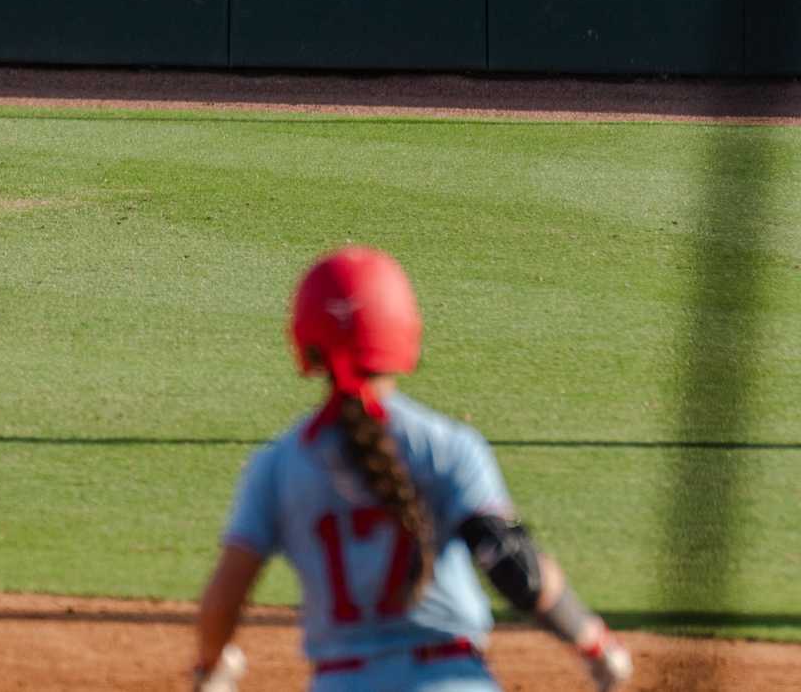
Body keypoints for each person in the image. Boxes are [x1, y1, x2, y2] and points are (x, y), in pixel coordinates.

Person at [191, 247, 632, 692]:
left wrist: (213, 666)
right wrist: (594, 642)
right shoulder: (449, 448)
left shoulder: (277, 466)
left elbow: (224, 599)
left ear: (305, 340)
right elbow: (516, 569)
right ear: (403, 330)